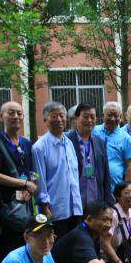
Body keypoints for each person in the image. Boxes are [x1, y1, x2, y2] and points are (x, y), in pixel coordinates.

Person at [0, 101, 37, 263]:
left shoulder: (26, 143)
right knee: (7, 255)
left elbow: (33, 172)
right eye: (11, 113)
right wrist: (24, 184)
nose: (16, 116)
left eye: (19, 113)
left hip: (25, 209)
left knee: (26, 251)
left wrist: (31, 185)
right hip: (5, 211)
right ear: (1, 117)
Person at [33, 102, 83, 239]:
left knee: (74, 246)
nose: (59, 120)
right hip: (55, 210)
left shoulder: (69, 143)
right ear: (45, 120)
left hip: (74, 208)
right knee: (56, 247)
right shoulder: (39, 147)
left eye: (62, 115)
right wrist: (44, 207)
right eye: (54, 116)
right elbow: (39, 180)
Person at [66, 103, 115, 210]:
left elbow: (106, 174)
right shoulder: (67, 141)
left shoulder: (99, 143)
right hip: (74, 202)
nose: (89, 120)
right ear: (76, 118)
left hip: (96, 201)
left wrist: (108, 202)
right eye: (85, 116)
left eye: (92, 117)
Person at [93, 102, 131, 188]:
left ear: (120, 117)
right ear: (103, 115)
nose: (112, 119)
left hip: (115, 186)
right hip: (94, 183)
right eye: (109, 115)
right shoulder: (93, 131)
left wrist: (126, 188)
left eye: (116, 116)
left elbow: (130, 165)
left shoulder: (125, 138)